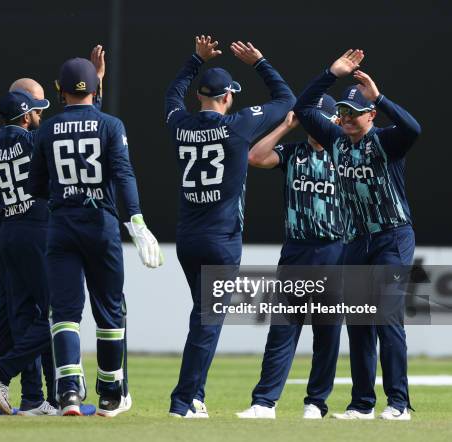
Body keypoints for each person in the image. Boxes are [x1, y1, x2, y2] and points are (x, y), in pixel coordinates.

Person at [165, 36, 296, 418]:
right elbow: (286, 100)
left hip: (187, 238)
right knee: (208, 321)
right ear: (226, 98)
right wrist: (259, 62)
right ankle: (182, 402)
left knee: (201, 315)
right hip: (222, 240)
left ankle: (196, 397)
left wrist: (194, 60)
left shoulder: (180, 124)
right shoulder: (238, 126)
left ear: (200, 98)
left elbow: (172, 96)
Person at [27, 56, 162, 417]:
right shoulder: (111, 124)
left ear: (59, 90)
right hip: (101, 226)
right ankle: (109, 393)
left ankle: (69, 392)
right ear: (97, 89)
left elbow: (35, 185)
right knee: (109, 310)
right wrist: (137, 220)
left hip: (61, 227)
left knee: (66, 313)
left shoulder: (46, 129)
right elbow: (123, 174)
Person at [294, 49, 421, 420]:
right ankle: (362, 404)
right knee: (360, 323)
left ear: (371, 115)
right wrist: (329, 73)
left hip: (393, 237)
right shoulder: (335, 141)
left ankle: (399, 403)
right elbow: (302, 110)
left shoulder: (386, 141)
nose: (347, 119)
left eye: (356, 113)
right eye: (343, 113)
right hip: (356, 241)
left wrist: (378, 96)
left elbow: (414, 128)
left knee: (386, 318)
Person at [238, 98, 343, 419]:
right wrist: (286, 125)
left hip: (335, 251)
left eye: (322, 121)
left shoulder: (346, 156)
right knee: (283, 330)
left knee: (327, 334)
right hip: (297, 250)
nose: (315, 129)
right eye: (311, 122)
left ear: (334, 121)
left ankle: (316, 403)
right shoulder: (293, 153)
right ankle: (264, 403)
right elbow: (254, 156)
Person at [0, 79, 57, 416]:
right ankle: (6, 374)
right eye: (35, 109)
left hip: (4, 232)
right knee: (57, 312)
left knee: (18, 315)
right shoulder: (33, 140)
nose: (38, 115)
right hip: (34, 230)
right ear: (25, 115)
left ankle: (33, 397)